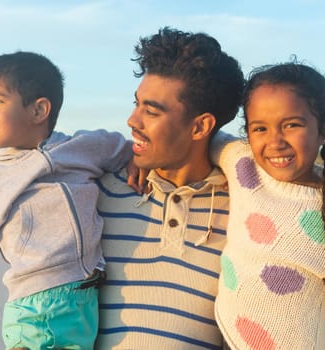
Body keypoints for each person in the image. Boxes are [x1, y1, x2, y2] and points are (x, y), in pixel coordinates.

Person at [0, 51, 133, 350]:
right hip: (37, 311)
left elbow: (129, 149)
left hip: (87, 303)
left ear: (39, 110)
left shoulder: (82, 148)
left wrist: (138, 161)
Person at [211, 61, 325, 349]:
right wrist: (130, 159)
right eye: (260, 128)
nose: (275, 141)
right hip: (224, 336)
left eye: (292, 124)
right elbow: (193, 137)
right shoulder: (242, 164)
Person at [94, 27, 245, 349]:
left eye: (151, 111)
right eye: (136, 105)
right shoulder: (98, 192)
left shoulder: (245, 209)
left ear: (201, 126)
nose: (132, 120)